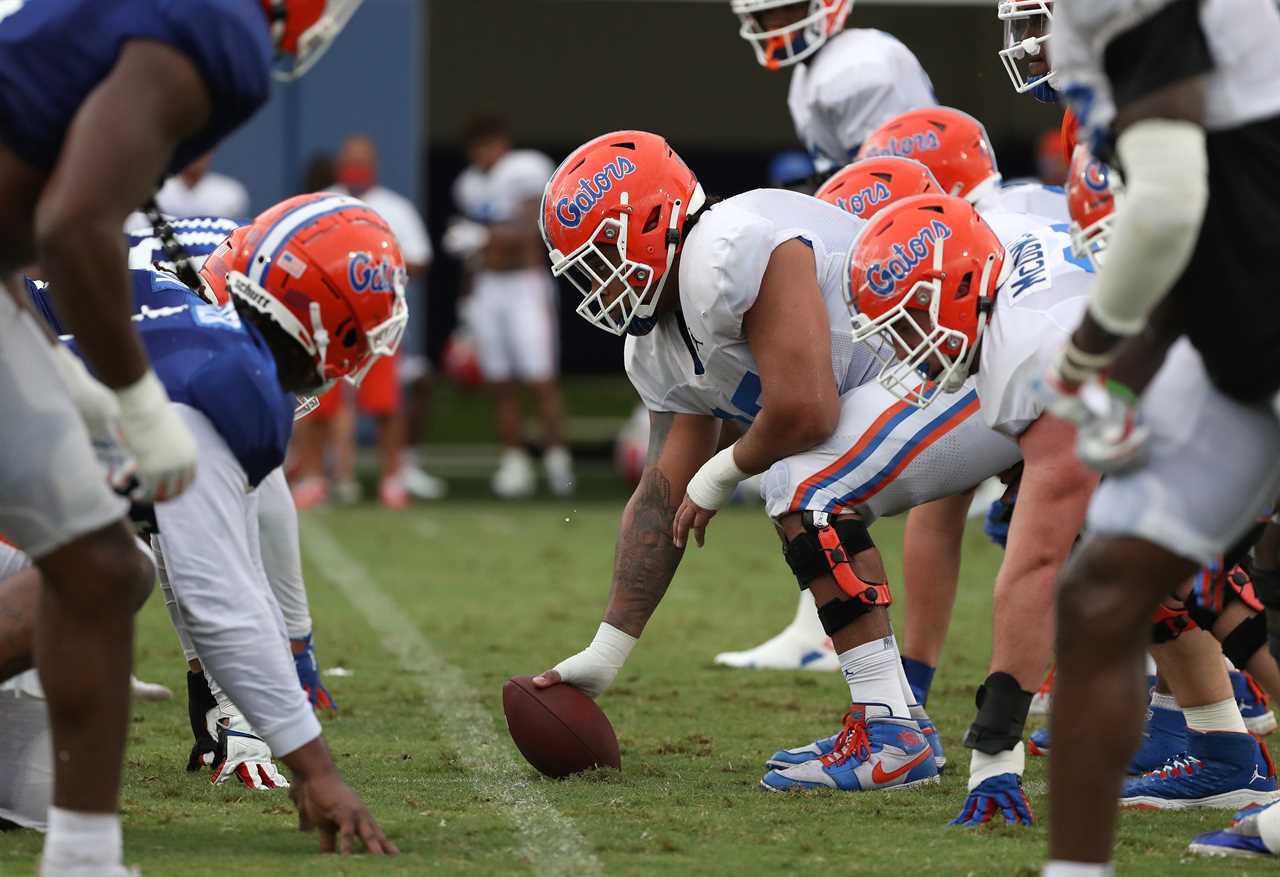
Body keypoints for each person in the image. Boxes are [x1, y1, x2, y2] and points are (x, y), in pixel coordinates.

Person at [0, 2, 360, 873]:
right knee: (103, 566)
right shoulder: (221, 31)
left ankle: (85, 859)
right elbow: (74, 223)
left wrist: (69, 374)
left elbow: (23, 226)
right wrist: (139, 403)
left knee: (104, 568)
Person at [529, 130, 963, 790]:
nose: (597, 283)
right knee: (810, 481)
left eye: (602, 258)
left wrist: (722, 470)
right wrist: (607, 649)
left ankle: (891, 729)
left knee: (801, 481)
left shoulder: (724, 247)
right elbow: (660, 496)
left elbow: (808, 411)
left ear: (652, 221)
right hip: (922, 384)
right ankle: (899, 718)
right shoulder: (659, 341)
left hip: (960, 363)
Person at [23, 192, 401, 853]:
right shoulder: (221, 381)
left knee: (103, 559)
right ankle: (83, 859)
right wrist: (315, 767)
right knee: (109, 571)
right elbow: (218, 597)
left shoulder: (191, 322)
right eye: (358, 334)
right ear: (321, 321)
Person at [1028, 0, 1280, 871]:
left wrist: (1086, 352)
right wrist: (1123, 368)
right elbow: (1218, 228)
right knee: (1101, 592)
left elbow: (1171, 209)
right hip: (1246, 334)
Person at [291, 134, 442, 508]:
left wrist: (375, 268)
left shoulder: (395, 207)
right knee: (318, 403)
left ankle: (392, 477)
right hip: (327, 320)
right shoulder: (321, 202)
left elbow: (420, 259)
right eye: (350, 160)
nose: (356, 168)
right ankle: (313, 477)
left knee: (385, 405)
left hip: (378, 320)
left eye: (363, 160)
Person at [448, 116, 573, 498]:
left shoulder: (527, 169)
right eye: (476, 147)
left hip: (525, 285)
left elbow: (534, 226)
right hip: (488, 288)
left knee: (540, 378)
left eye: (488, 144)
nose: (483, 153)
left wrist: (485, 237)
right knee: (499, 381)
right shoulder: (468, 185)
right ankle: (514, 459)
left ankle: (556, 457)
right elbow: (473, 253)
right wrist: (466, 302)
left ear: (502, 143)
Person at [729, 0, 935, 176]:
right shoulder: (808, 74)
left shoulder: (857, 65)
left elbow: (888, 177)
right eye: (765, 13)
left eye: (791, 7)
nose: (776, 21)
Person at [154, 151, 250, 220]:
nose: (197, 156)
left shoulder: (231, 193)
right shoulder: (155, 189)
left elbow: (235, 239)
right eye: (191, 149)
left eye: (203, 149)